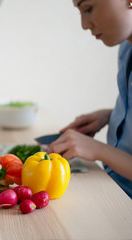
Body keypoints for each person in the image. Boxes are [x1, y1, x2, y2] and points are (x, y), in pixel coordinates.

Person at [49, 0, 132, 198]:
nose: (84, 24)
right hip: (112, 189)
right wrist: (113, 115)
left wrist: (98, 150)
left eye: (88, 9)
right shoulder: (127, 49)